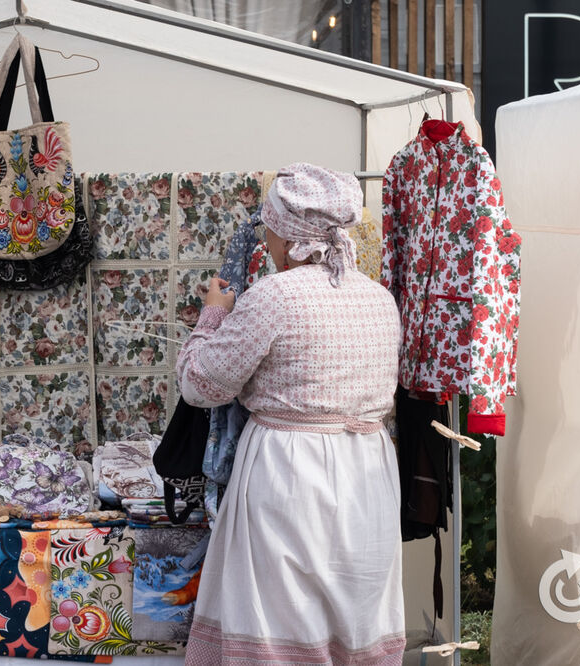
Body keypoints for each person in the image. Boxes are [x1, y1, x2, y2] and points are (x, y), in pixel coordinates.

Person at [176, 163, 404, 664]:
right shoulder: (380, 299)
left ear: (287, 236)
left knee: (279, 621)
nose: (267, 240)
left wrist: (212, 315)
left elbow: (200, 385)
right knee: (354, 618)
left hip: (290, 476)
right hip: (368, 476)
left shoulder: (273, 296)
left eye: (271, 229)